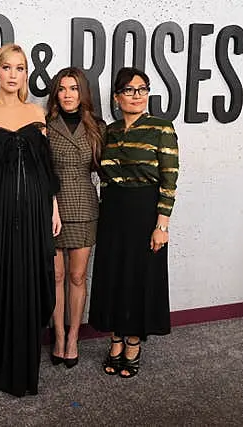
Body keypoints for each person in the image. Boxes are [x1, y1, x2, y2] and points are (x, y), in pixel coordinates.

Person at [0, 43, 61, 397]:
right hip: (0, 214)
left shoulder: (37, 113)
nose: (13, 75)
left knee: (32, 281)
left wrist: (52, 208)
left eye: (20, 68)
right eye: (6, 67)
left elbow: (45, 166)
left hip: (36, 209)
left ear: (25, 74)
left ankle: (26, 365)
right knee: (2, 283)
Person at [89, 67, 179, 379]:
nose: (137, 95)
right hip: (113, 211)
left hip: (145, 213)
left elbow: (170, 180)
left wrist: (162, 224)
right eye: (129, 90)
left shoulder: (161, 128)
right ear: (117, 97)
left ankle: (133, 342)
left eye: (142, 89)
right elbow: (102, 174)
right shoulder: (108, 132)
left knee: (141, 277)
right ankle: (115, 337)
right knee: (114, 276)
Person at [45, 67, 105, 369]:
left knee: (77, 277)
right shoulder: (45, 124)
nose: (68, 94)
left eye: (74, 88)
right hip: (52, 208)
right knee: (55, 276)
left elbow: (106, 168)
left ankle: (73, 338)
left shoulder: (96, 126)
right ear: (56, 93)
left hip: (84, 207)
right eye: (62, 89)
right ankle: (57, 337)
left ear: (83, 93)